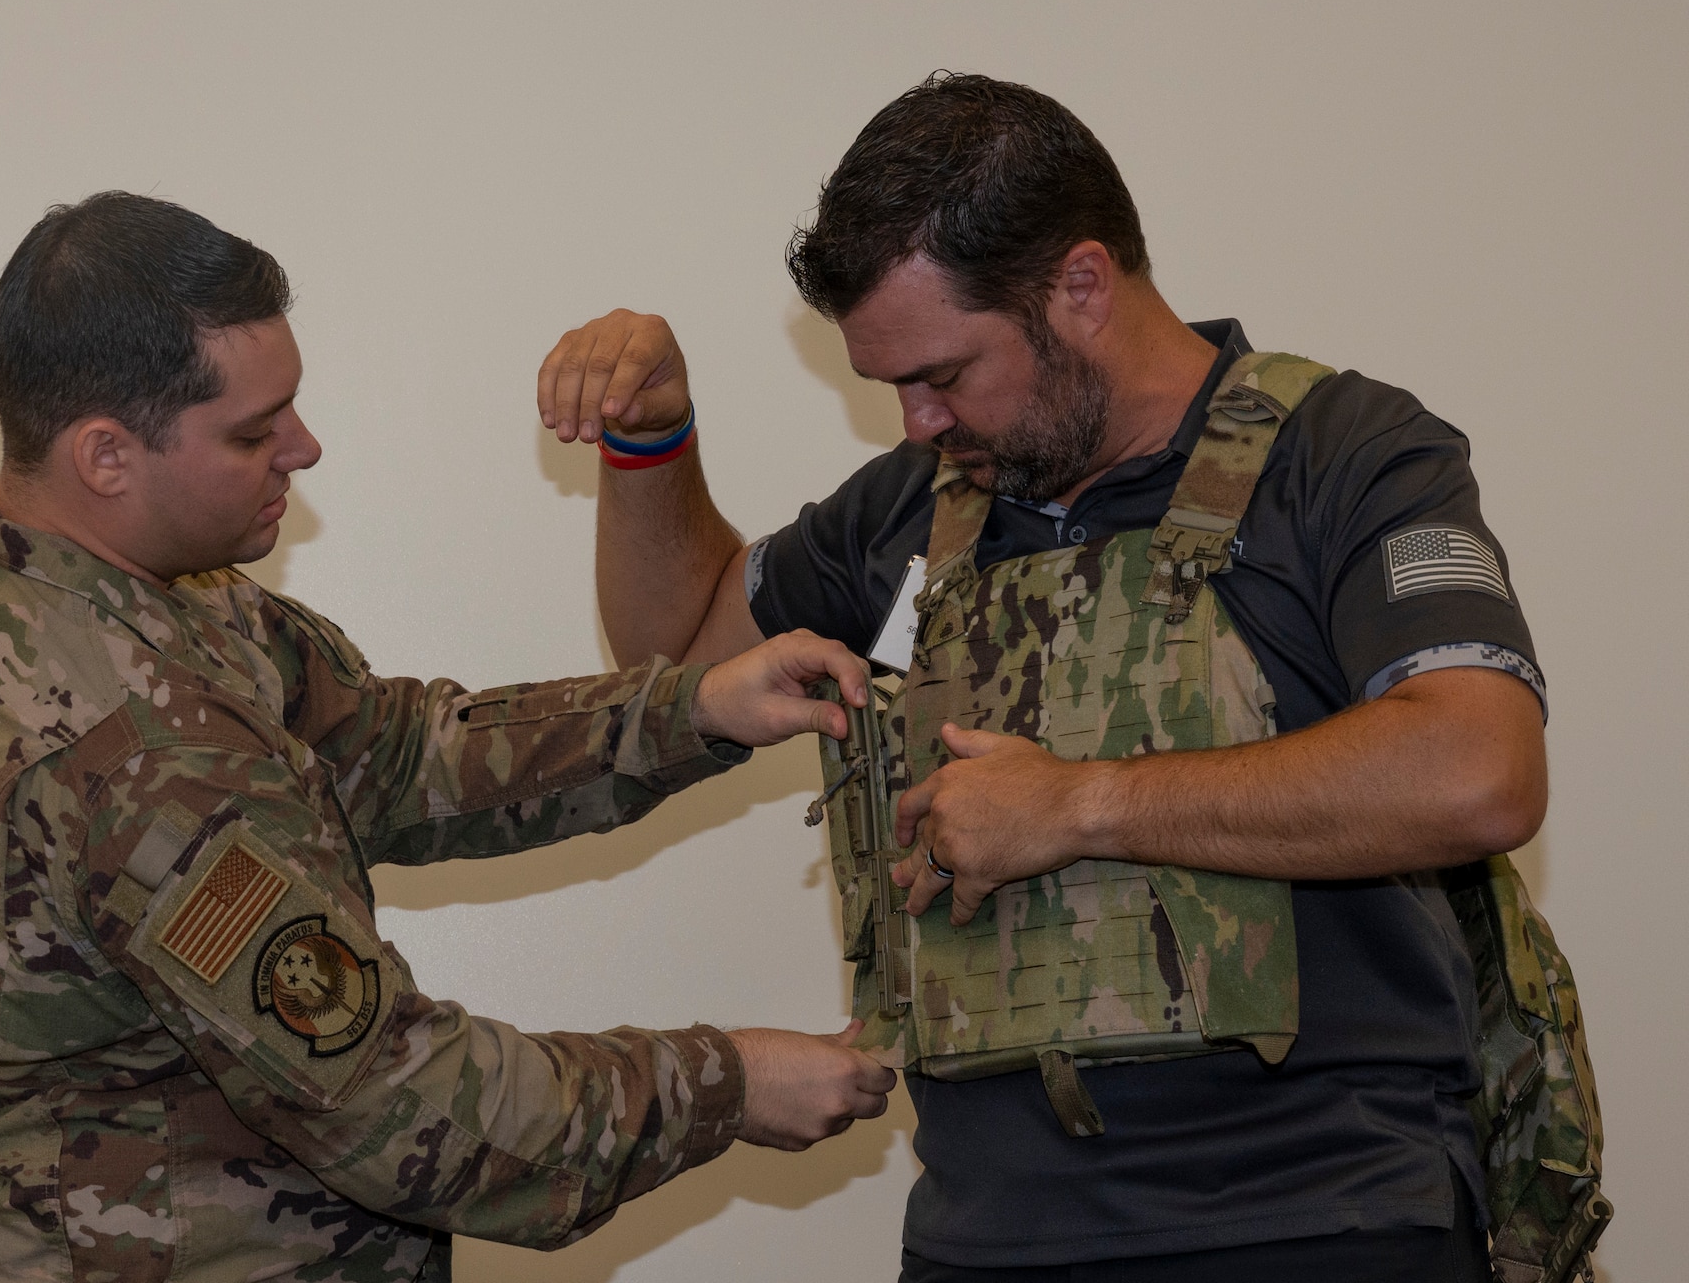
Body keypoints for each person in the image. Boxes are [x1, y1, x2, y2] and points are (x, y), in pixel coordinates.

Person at [538, 74, 1558, 1282]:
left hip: (1313, 1217)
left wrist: (1081, 804)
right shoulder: (913, 508)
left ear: (1080, 285)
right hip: (993, 1236)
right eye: (889, 388)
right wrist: (651, 442)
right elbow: (678, 667)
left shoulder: (1346, 459)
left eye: (943, 372)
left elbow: (1477, 767)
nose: (913, 422)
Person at [0, 192, 895, 1283]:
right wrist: (723, 1082)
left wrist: (688, 709)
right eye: (253, 432)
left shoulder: (105, 603)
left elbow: (395, 751)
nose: (302, 449)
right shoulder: (131, 754)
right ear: (106, 455)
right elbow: (403, 1109)